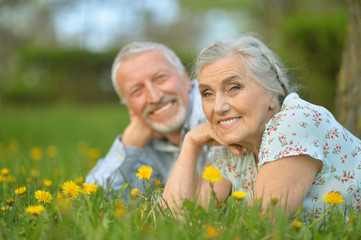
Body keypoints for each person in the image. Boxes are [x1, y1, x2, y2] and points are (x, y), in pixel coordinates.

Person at [162, 35, 361, 225]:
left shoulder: (295, 123)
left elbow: (257, 228)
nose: (218, 107)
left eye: (234, 88)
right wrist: (191, 143)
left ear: (271, 91)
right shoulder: (232, 147)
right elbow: (173, 221)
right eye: (207, 93)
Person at [85, 41, 208, 199]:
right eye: (137, 91)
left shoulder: (214, 113)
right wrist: (128, 146)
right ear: (130, 108)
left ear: (185, 78)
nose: (155, 97)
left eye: (161, 78)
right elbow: (92, 199)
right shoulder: (145, 145)